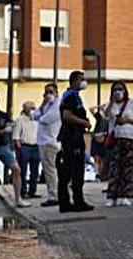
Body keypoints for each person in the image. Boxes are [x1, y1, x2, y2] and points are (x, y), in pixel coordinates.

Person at [58, 71, 94, 212]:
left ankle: (66, 203)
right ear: (74, 81)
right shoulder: (71, 97)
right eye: (81, 79)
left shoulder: (73, 96)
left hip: (72, 137)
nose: (84, 82)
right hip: (72, 138)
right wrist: (84, 122)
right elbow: (67, 116)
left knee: (68, 170)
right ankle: (77, 202)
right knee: (75, 171)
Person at [104, 81, 133, 207]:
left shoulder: (131, 104)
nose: (118, 92)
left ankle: (124, 195)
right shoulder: (111, 105)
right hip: (116, 138)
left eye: (120, 89)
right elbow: (106, 115)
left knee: (127, 168)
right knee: (115, 168)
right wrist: (111, 102)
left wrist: (127, 120)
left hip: (129, 138)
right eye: (115, 89)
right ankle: (112, 196)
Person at [32, 83, 62, 207]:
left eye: (50, 92)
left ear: (56, 93)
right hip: (43, 141)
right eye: (46, 93)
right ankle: (53, 194)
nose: (48, 95)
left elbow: (45, 120)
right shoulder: (47, 105)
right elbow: (34, 116)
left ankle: (54, 195)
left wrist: (40, 116)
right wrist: (43, 103)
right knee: (48, 170)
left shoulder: (57, 105)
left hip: (51, 141)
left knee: (50, 170)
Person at [12, 101, 41, 199]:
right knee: (22, 171)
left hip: (36, 146)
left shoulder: (37, 119)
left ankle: (32, 191)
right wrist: (18, 145)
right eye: (30, 108)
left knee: (35, 171)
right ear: (24, 109)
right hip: (24, 146)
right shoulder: (20, 119)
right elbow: (16, 134)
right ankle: (22, 191)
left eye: (33, 108)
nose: (32, 110)